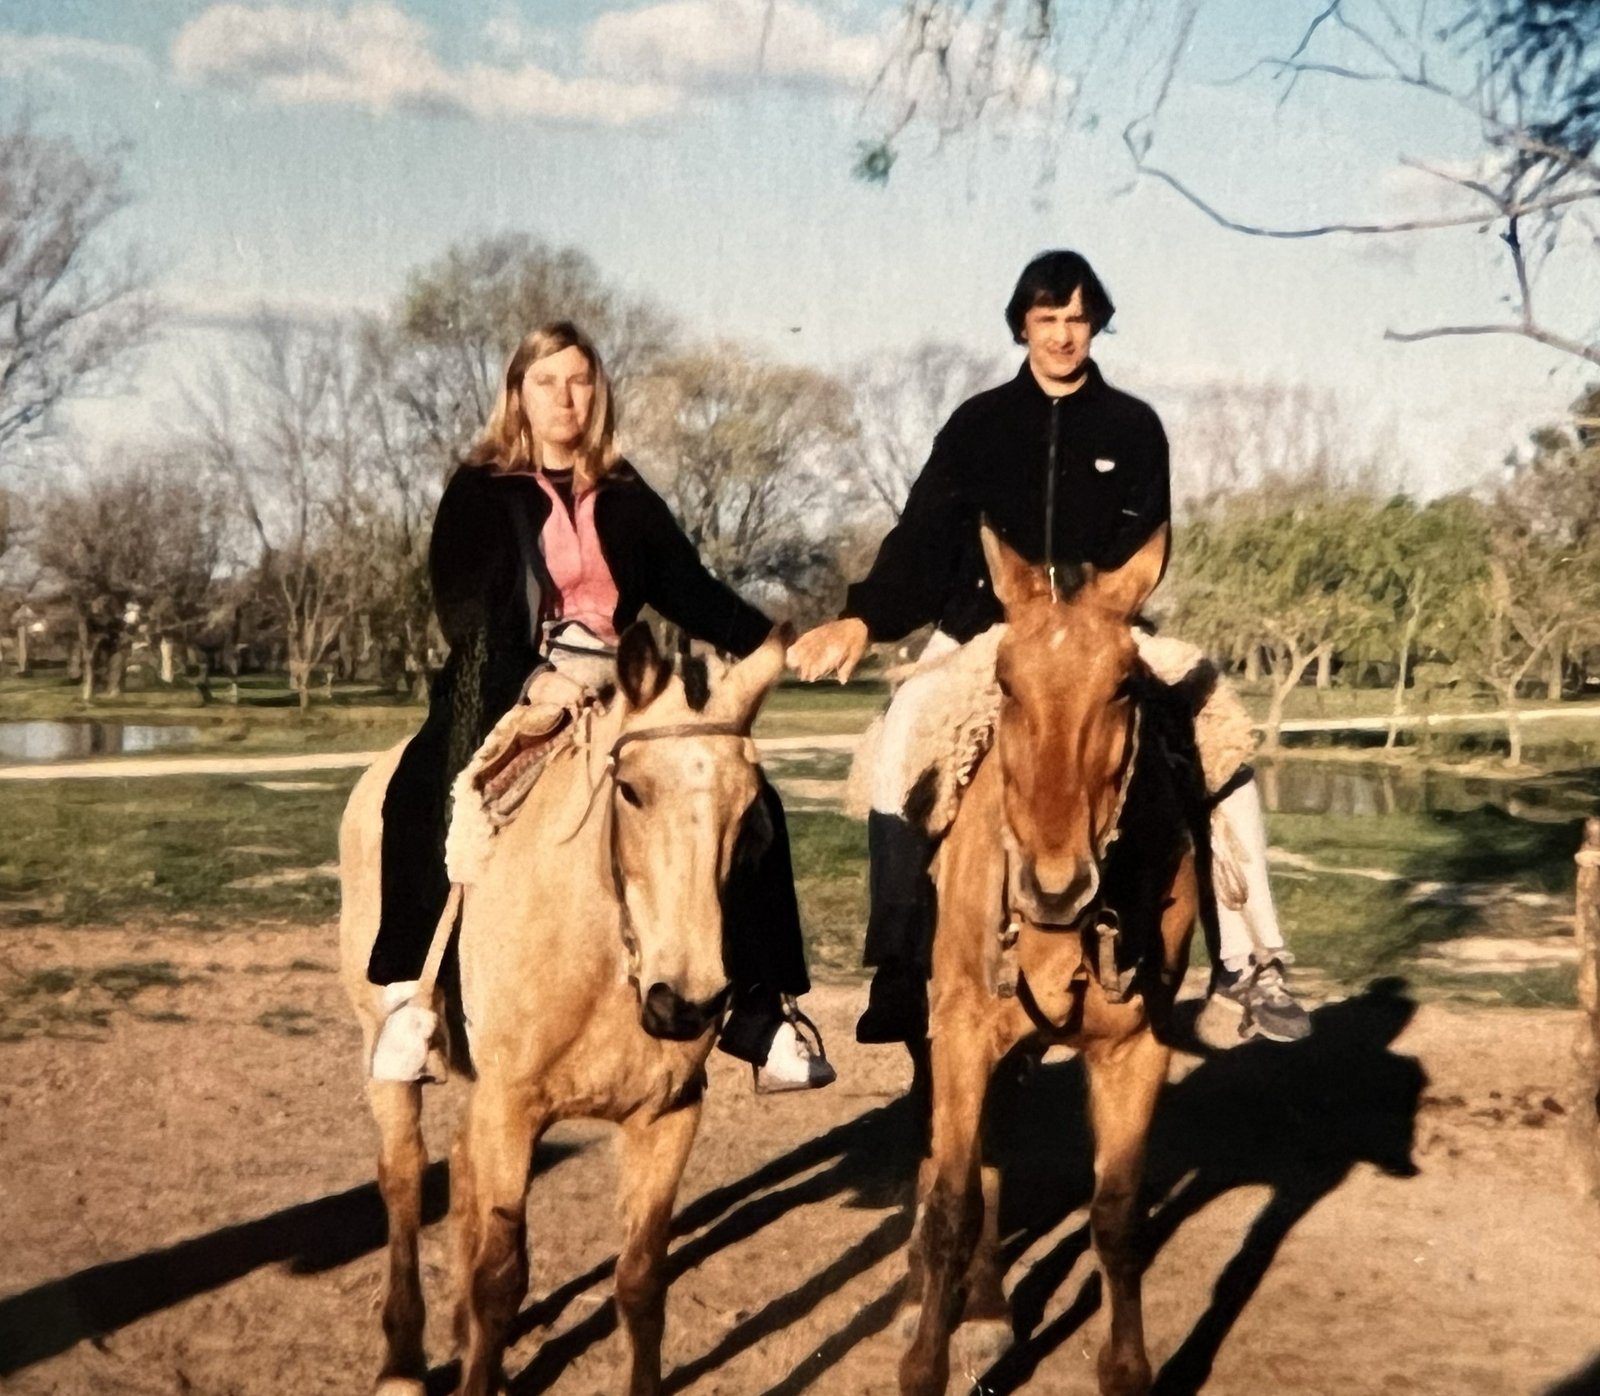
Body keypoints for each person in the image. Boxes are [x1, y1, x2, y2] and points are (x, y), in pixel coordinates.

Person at [788, 250, 1310, 1047]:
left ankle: (1249, 963)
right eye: (1047, 319)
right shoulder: (977, 425)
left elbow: (1144, 545)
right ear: (1022, 326)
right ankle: (899, 964)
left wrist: (1102, 617)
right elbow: (922, 540)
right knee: (902, 738)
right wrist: (862, 619)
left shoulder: (1134, 427)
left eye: (1076, 318)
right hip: (988, 631)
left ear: (1096, 324)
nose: (1063, 335)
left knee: (1220, 737)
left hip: (1103, 632)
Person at [368, 320, 835, 1092]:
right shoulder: (479, 490)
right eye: (546, 381)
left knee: (743, 795)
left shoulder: (625, 493)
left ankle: (760, 1008)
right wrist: (531, 679)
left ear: (599, 392)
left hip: (621, 679)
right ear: (518, 393)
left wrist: (776, 644)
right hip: (505, 672)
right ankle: (406, 997)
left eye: (580, 381)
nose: (566, 398)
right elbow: (465, 610)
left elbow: (690, 589)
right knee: (422, 779)